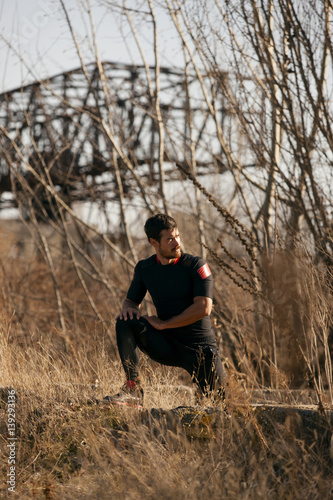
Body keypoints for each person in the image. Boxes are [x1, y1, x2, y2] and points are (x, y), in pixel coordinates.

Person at [103, 213, 226, 408]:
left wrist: (164, 323)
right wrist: (129, 310)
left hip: (200, 350)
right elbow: (130, 302)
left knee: (223, 406)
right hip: (166, 344)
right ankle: (133, 389)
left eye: (177, 236)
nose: (177, 242)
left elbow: (204, 308)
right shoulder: (145, 268)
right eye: (170, 239)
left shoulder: (196, 265)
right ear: (154, 242)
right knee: (124, 321)